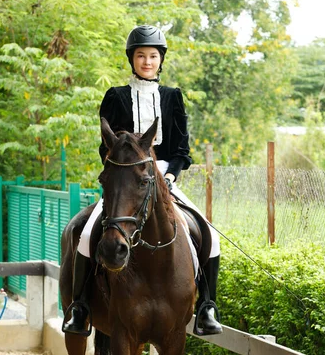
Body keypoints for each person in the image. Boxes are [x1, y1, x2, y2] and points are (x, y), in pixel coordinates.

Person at [62, 24, 222, 336]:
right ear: (132, 59)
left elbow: (182, 150)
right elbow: (104, 145)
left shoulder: (173, 97)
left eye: (152, 56)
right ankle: (80, 307)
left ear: (160, 60)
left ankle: (207, 307)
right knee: (84, 236)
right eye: (141, 56)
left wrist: (170, 174)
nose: (147, 61)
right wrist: (122, 176)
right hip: (125, 179)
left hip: (165, 178)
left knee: (209, 235)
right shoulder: (116, 96)